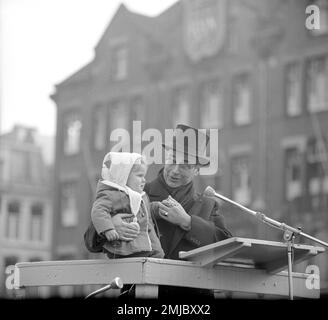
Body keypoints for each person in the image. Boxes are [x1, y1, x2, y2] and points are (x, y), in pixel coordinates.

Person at [112, 124, 232, 297]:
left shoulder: (207, 205)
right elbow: (91, 239)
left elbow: (226, 244)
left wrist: (188, 222)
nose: (175, 170)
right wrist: (113, 224)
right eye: (173, 160)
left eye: (185, 166)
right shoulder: (134, 192)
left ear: (197, 170)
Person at [91, 151, 164, 259]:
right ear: (123, 176)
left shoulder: (140, 196)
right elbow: (98, 211)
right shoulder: (112, 194)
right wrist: (108, 229)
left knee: (157, 256)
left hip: (147, 244)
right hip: (124, 249)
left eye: (144, 176)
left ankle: (157, 255)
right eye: (140, 175)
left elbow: (145, 209)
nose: (144, 180)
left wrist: (159, 207)